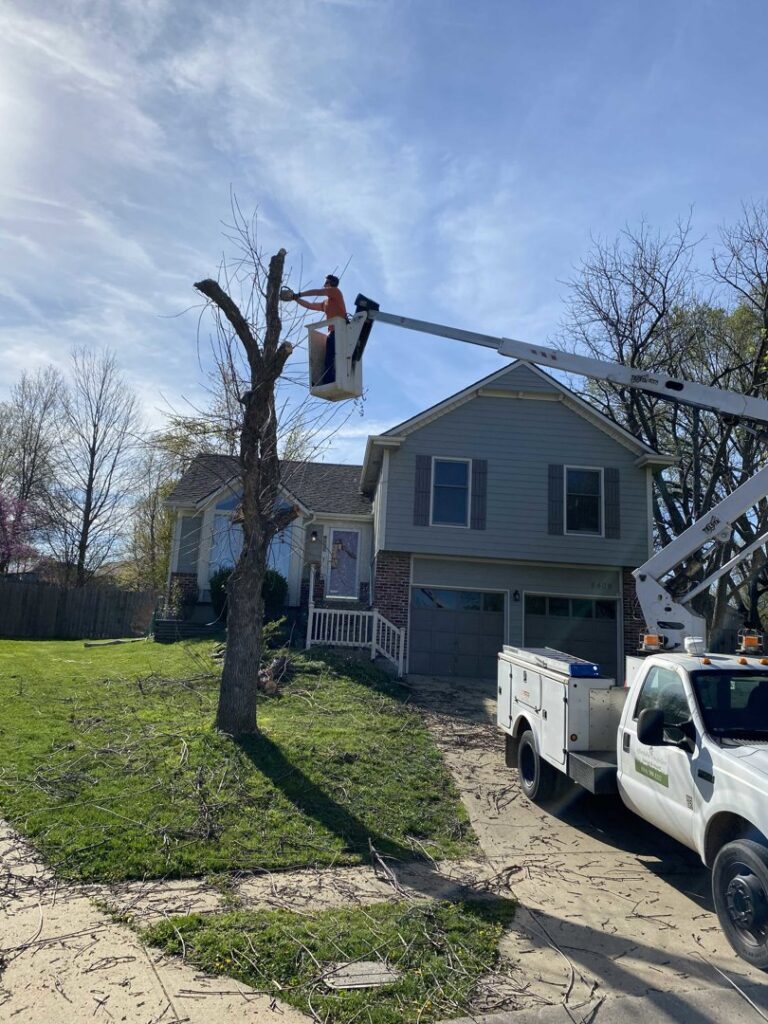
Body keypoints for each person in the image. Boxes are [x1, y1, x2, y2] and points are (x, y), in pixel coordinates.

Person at [291, 275, 347, 384]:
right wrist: (295, 298)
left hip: (341, 331)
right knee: (329, 358)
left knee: (337, 357)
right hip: (333, 332)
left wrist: (300, 294)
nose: (324, 285)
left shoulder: (336, 292)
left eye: (326, 283)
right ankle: (329, 380)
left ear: (331, 284)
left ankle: (334, 379)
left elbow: (318, 292)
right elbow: (310, 305)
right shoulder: (326, 303)